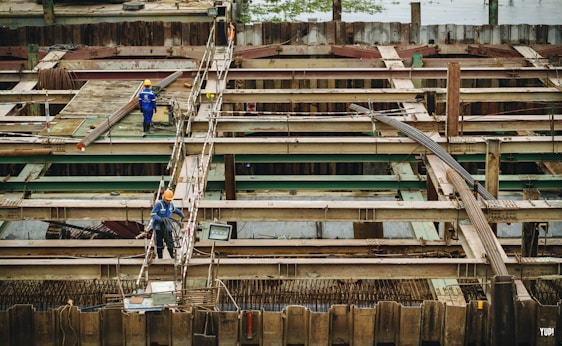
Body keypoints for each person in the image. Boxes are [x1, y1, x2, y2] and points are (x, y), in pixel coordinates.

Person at [150, 189, 184, 259]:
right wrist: (160, 219)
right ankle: (160, 258)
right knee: (159, 243)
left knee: (170, 242)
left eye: (170, 200)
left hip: (167, 227)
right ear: (164, 198)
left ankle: (172, 256)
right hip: (159, 227)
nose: (168, 201)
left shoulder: (170, 205)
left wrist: (181, 214)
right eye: (167, 200)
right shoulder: (159, 204)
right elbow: (153, 214)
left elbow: (175, 210)